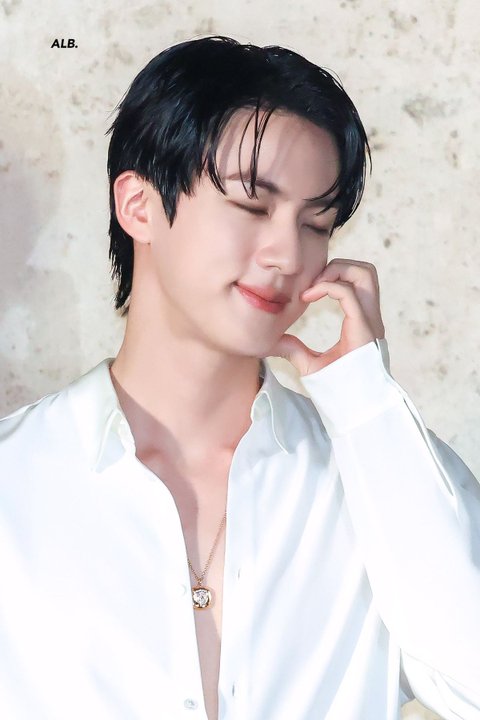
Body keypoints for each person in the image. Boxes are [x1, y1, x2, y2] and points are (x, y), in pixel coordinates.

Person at [0, 34, 479, 720]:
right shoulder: (17, 481)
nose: (287, 254)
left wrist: (366, 403)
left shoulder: (371, 475)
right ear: (139, 206)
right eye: (253, 206)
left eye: (317, 223)